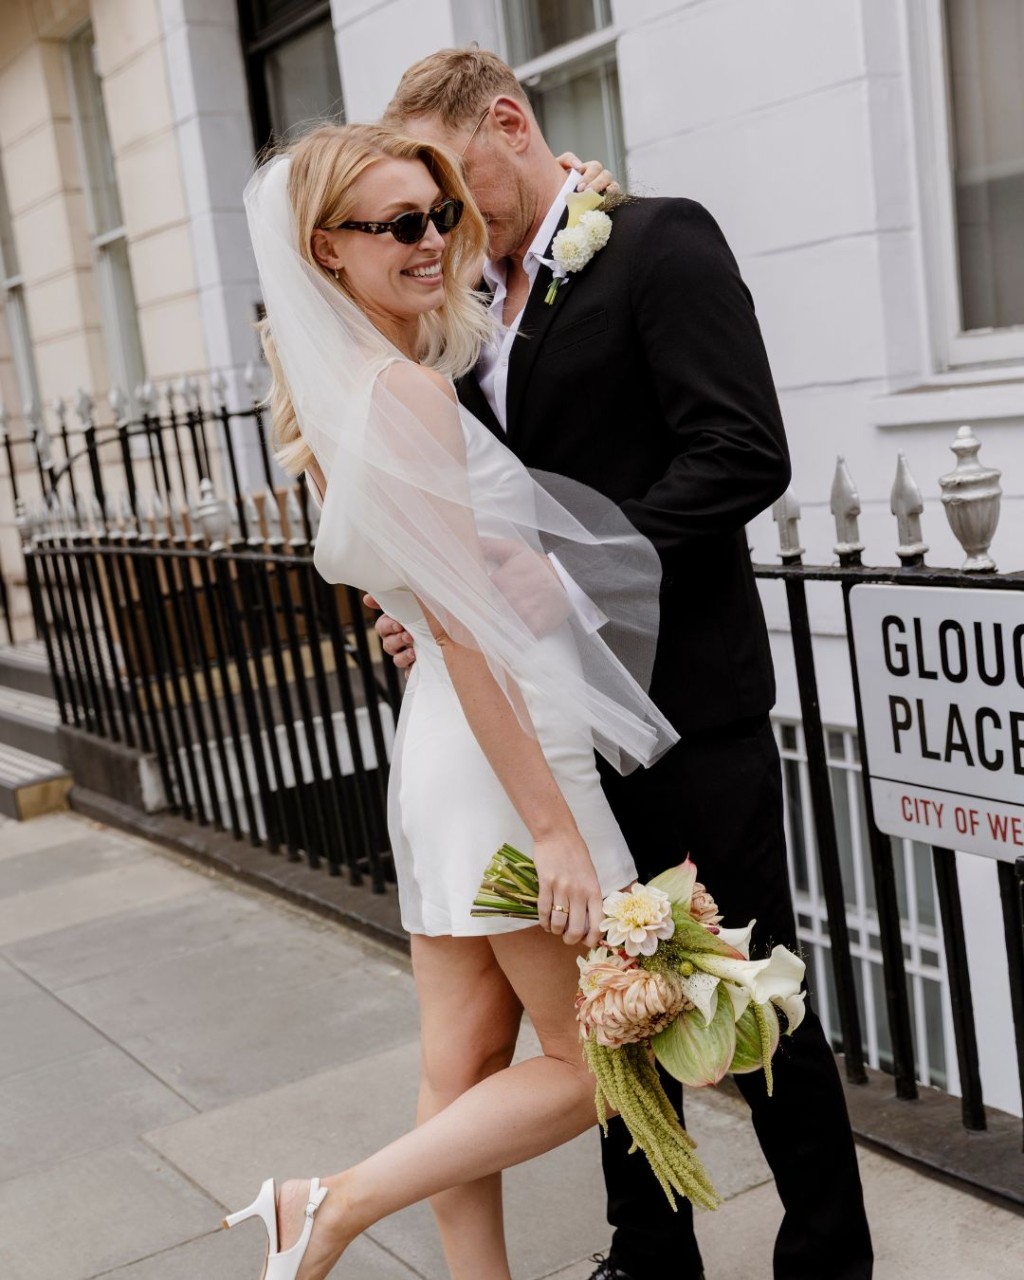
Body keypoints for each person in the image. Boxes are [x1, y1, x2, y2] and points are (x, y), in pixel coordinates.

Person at [372, 47, 874, 1280]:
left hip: (686, 705)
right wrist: (422, 607)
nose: (443, 215)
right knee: (608, 1004)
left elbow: (744, 448)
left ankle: (824, 1255)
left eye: (454, 179)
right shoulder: (464, 305)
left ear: (508, 120)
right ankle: (650, 1251)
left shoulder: (657, 243)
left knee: (745, 989)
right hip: (549, 727)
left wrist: (586, 565)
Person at [230, 122, 682, 1280]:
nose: (431, 241)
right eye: (397, 225)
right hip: (500, 752)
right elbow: (472, 632)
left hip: (438, 747)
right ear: (326, 248)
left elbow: (422, 599)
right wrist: (550, 826)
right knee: (596, 1064)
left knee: (459, 1064)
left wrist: (421, 613)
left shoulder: (330, 398)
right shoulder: (405, 395)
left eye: (436, 216)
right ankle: (328, 1201)